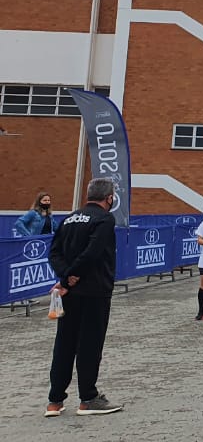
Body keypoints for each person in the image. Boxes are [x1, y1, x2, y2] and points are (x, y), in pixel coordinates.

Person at [45, 178, 122, 417]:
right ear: (109, 198)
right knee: (90, 344)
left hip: (69, 292)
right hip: (94, 290)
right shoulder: (104, 219)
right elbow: (94, 251)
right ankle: (88, 397)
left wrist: (65, 278)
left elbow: (54, 252)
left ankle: (55, 400)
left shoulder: (69, 218)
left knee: (64, 343)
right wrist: (71, 277)